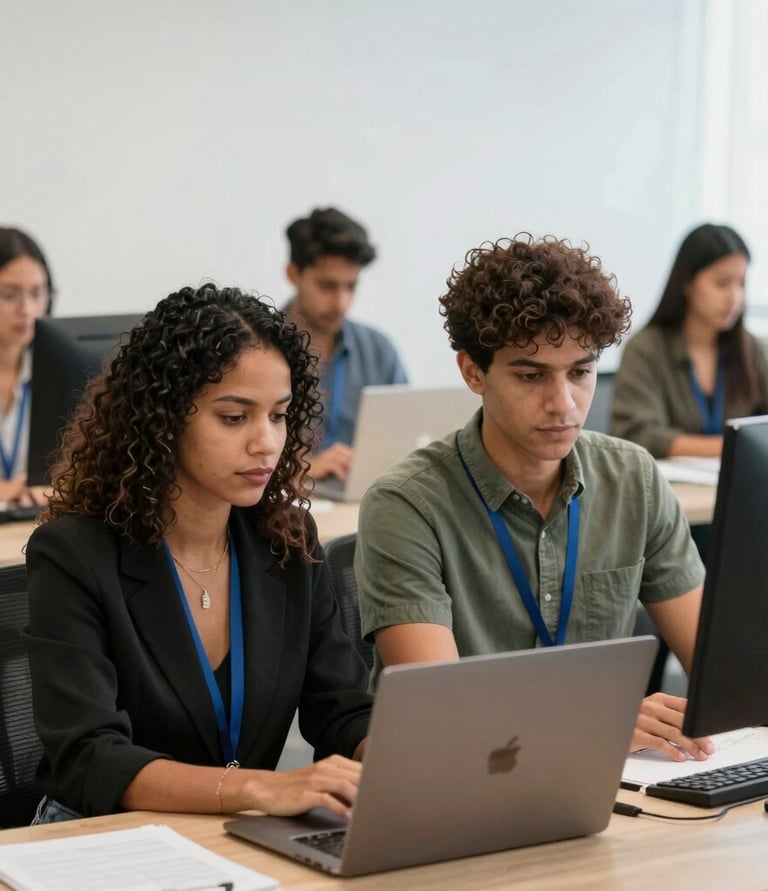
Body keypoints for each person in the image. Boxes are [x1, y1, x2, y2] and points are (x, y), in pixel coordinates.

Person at [355, 234, 715, 764]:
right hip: (461, 778)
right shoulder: (406, 504)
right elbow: (441, 711)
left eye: (581, 372)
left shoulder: (633, 478)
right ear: (472, 371)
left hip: (601, 777)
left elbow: (720, 671)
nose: (564, 403)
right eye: (531, 375)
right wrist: (601, 718)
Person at [24, 284, 372, 822]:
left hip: (233, 832)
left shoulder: (288, 541)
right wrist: (257, 791)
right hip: (99, 834)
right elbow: (90, 757)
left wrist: (394, 762)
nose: (266, 442)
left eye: (279, 415)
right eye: (234, 417)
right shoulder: (73, 553)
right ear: (163, 420)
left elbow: (343, 710)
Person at [610, 223, 768, 458]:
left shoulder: (751, 348)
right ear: (688, 283)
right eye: (722, 283)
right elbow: (637, 435)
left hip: (741, 484)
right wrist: (729, 447)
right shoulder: (646, 348)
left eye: (741, 284)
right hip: (670, 489)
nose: (734, 297)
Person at [283, 207, 408, 483]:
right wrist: (301, 470)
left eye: (351, 286)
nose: (341, 302)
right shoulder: (256, 349)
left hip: (359, 507)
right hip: (273, 506)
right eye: (327, 286)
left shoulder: (379, 352)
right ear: (293, 274)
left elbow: (404, 446)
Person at [0, 226, 55, 507]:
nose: (27, 309)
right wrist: (7, 490)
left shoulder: (58, 372)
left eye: (37, 293)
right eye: (10, 295)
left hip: (29, 532)